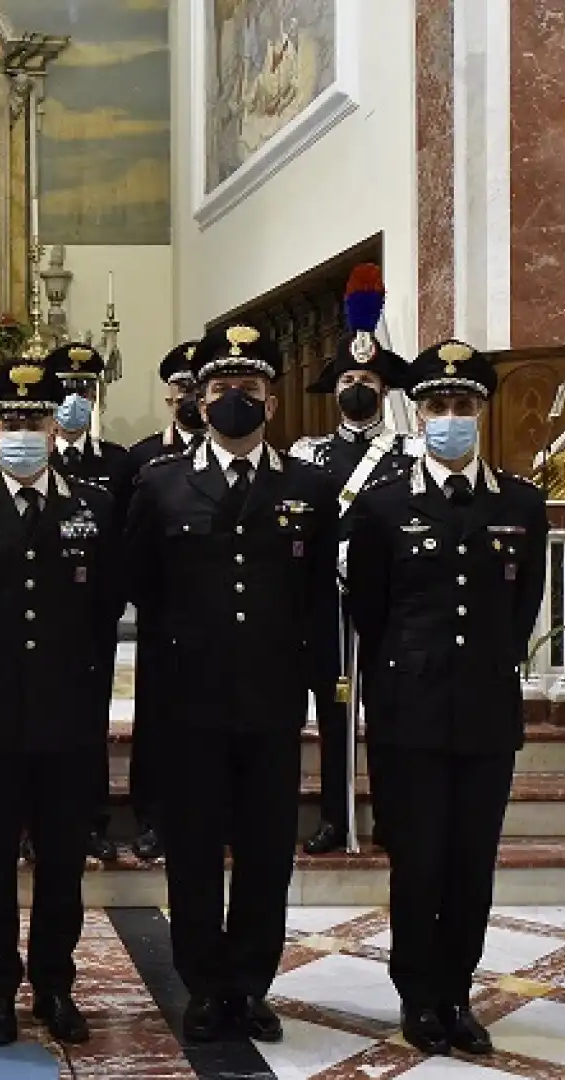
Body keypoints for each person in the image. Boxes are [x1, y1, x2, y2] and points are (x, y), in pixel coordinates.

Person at [124, 324, 340, 1044]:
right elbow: (144, 594)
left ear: (271, 404)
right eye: (220, 391)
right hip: (189, 703)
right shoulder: (160, 484)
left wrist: (315, 690)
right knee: (191, 851)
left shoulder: (308, 488)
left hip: (272, 700)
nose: (233, 401)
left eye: (248, 391)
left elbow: (317, 601)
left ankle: (251, 984)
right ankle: (204, 986)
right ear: (199, 400)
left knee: (265, 851)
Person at [345, 341, 547, 1057]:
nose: (450, 418)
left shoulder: (522, 503)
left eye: (463, 406)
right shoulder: (383, 507)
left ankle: (457, 992)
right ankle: (417, 994)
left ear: (482, 413)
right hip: (410, 711)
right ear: (419, 413)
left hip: (488, 711)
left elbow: (524, 604)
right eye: (438, 406)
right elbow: (371, 607)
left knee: (471, 863)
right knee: (420, 859)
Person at [0, 355, 121, 1047]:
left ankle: (56, 983)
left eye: (34, 419)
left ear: (55, 425)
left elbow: (103, 615)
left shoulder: (94, 506)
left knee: (63, 863)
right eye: (9, 419)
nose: (23, 430)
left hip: (66, 720)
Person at [288, 265, 421, 856]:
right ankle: (335, 818)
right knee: (333, 714)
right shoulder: (307, 453)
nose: (356, 387)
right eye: (347, 378)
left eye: (366, 377)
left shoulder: (410, 452)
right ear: (334, 388)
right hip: (325, 605)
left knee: (391, 715)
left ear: (385, 388)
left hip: (390, 607)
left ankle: (392, 814)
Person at [43, 342, 132, 862]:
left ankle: (91, 819)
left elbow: (119, 545)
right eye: (66, 389)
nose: (75, 398)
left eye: (84, 388)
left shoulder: (116, 464)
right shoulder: (29, 454)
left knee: (87, 725)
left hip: (86, 622)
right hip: (30, 619)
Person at [124, 340, 205, 863]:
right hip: (163, 619)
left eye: (196, 390)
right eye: (180, 390)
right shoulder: (143, 458)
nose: (189, 399)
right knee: (156, 723)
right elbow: (134, 544)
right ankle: (151, 817)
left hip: (218, 624)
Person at [125, 341, 206, 473]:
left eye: (200, 388)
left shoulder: (233, 446)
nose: (194, 397)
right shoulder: (143, 454)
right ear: (169, 400)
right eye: (185, 388)